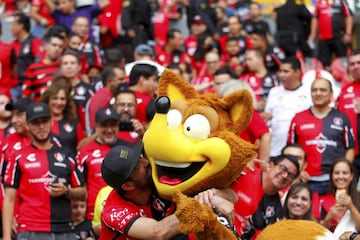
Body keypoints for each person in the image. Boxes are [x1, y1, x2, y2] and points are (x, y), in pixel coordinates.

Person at [2, 102, 86, 240]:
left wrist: (66, 192)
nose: (41, 126)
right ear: (27, 125)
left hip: (65, 229)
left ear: (51, 122)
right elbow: (9, 198)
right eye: (36, 122)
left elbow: (83, 193)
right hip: (30, 230)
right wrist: (6, 237)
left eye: (44, 121)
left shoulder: (67, 155)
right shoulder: (17, 156)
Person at [288, 77, 355, 195]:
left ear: (331, 94)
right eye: (314, 90)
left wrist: (343, 173)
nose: (318, 93)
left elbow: (350, 148)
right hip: (306, 181)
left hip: (334, 182)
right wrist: (297, 172)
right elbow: (289, 152)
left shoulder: (342, 118)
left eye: (323, 90)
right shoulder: (298, 118)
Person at [77, 106, 132, 220]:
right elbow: (80, 187)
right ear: (96, 127)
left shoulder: (130, 149)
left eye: (113, 125)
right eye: (104, 125)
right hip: (95, 216)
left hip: (126, 213)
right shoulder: (84, 152)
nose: (109, 130)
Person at [231, 154, 300, 239]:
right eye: (283, 169)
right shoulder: (246, 172)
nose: (285, 176)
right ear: (270, 165)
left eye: (291, 175)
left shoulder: (277, 210)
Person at [264, 56, 312, 157]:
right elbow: (268, 119)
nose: (281, 75)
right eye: (280, 71)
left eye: (286, 71)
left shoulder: (309, 92)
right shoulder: (274, 92)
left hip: (301, 149)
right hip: (276, 149)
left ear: (297, 73)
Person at [313, 158, 360, 238]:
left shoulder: (358, 198)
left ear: (351, 176)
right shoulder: (321, 199)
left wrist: (351, 207)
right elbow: (318, 233)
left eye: (345, 173)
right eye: (337, 173)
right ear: (331, 176)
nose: (340, 177)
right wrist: (329, 217)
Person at [41, 81, 86, 154]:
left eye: (62, 99)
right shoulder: (40, 124)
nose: (59, 103)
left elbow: (82, 148)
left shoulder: (74, 123)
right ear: (48, 100)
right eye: (55, 98)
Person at [308, 0, 353, 69]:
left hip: (339, 36)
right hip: (323, 38)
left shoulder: (342, 2)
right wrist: (313, 33)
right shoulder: (319, 2)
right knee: (324, 62)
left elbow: (348, 16)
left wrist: (348, 33)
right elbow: (315, 17)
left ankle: (344, 76)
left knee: (343, 60)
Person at [22, 32, 65, 102]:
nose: (57, 49)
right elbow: (25, 96)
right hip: (40, 110)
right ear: (46, 46)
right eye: (54, 45)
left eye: (60, 46)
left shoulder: (65, 68)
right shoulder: (33, 68)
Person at [336, 49, 360, 177]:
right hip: (351, 154)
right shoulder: (344, 91)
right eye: (352, 64)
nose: (356, 66)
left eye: (359, 62)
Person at [10, 12, 43, 102]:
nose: (11, 28)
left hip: (30, 86)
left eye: (13, 24)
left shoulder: (35, 41)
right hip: (14, 86)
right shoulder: (13, 44)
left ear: (21, 26)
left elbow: (39, 61)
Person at [85, 65, 125, 135]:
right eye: (120, 79)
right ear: (109, 81)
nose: (124, 82)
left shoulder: (109, 96)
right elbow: (95, 127)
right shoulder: (101, 98)